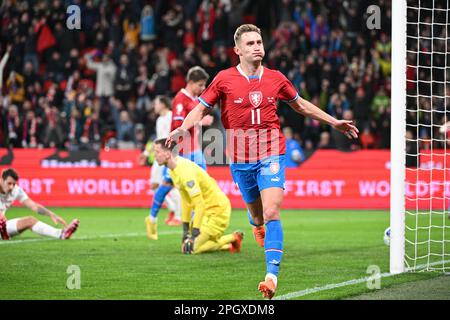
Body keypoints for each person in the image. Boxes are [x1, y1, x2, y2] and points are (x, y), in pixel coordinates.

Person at [167, 24, 359, 299]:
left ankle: (271, 277)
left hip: (271, 151)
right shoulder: (223, 79)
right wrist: (182, 130)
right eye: (250, 44)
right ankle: (257, 226)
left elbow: (301, 105)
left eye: (259, 42)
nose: (257, 47)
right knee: (257, 216)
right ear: (238, 50)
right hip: (240, 157)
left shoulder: (276, 78)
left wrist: (333, 122)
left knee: (271, 212)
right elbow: (199, 109)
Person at [146, 67, 213, 240]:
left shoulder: (196, 99)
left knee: (204, 186)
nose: (202, 88)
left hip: (195, 151)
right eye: (200, 84)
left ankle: (198, 224)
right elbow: (178, 127)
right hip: (180, 152)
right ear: (190, 82)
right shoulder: (180, 99)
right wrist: (200, 120)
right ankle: (152, 219)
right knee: (167, 184)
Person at [152, 138, 243, 254]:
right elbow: (186, 201)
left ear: (168, 154)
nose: (155, 156)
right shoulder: (172, 171)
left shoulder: (184, 171)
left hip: (217, 211)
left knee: (192, 248)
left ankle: (233, 238)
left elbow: (199, 203)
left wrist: (194, 232)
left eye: (157, 152)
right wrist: (185, 229)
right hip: (205, 212)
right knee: (186, 247)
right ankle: (220, 242)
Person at [141, 96, 182, 241]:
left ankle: (178, 215)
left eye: (157, 103)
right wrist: (146, 153)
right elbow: (158, 139)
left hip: (169, 155)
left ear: (163, 104)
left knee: (172, 185)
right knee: (153, 185)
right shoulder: (159, 120)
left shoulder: (171, 116)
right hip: (159, 155)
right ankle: (172, 208)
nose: (155, 105)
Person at [0, 168, 79, 241]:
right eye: (9, 183)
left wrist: (52, 214)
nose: (11, 187)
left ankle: (61, 234)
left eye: (13, 184)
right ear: (2, 180)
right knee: (2, 220)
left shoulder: (16, 190)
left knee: (30, 220)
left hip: (2, 225)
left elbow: (33, 206)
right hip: (2, 223)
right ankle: (4, 231)